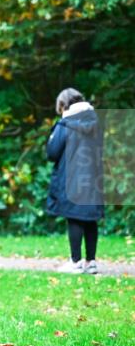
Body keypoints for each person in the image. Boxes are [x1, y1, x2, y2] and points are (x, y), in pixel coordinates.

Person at [46, 88, 104, 275]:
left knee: (75, 217)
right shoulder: (96, 123)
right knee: (90, 218)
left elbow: (52, 153)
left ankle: (75, 262)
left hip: (71, 178)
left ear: (63, 105)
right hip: (93, 177)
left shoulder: (65, 124)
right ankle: (91, 262)